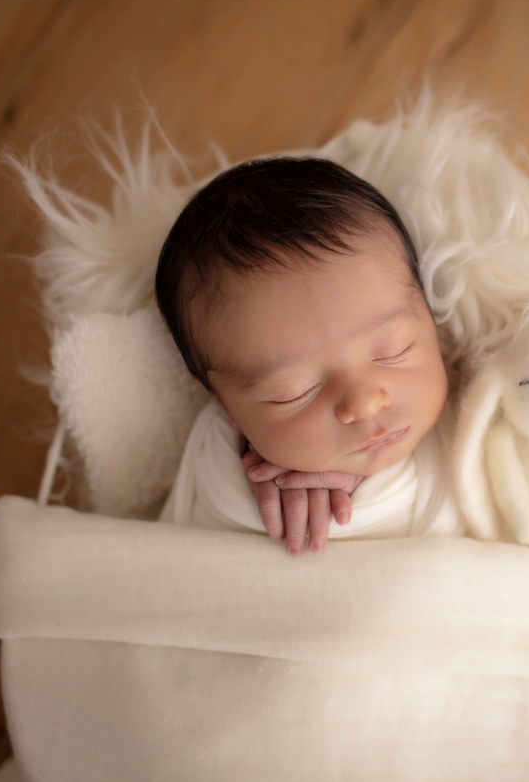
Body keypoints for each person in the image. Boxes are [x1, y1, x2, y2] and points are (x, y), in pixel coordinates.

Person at [154, 156, 454, 556]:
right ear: (224, 405)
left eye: (394, 351)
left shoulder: (474, 405)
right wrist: (251, 477)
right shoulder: (225, 469)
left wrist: (362, 484)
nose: (364, 403)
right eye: (294, 392)